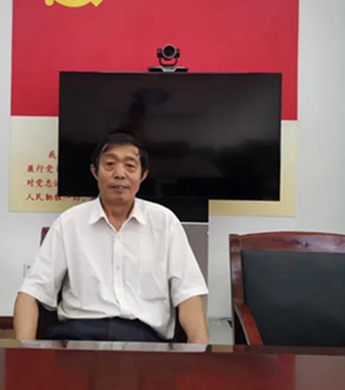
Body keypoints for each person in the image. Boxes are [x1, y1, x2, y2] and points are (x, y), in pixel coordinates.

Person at [13, 133, 209, 343]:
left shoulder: (165, 223)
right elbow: (30, 293)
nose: (119, 174)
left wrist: (200, 356)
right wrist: (23, 354)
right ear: (94, 171)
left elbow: (188, 295)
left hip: (143, 342)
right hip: (78, 337)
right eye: (109, 165)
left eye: (130, 166)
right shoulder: (69, 223)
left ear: (143, 175)